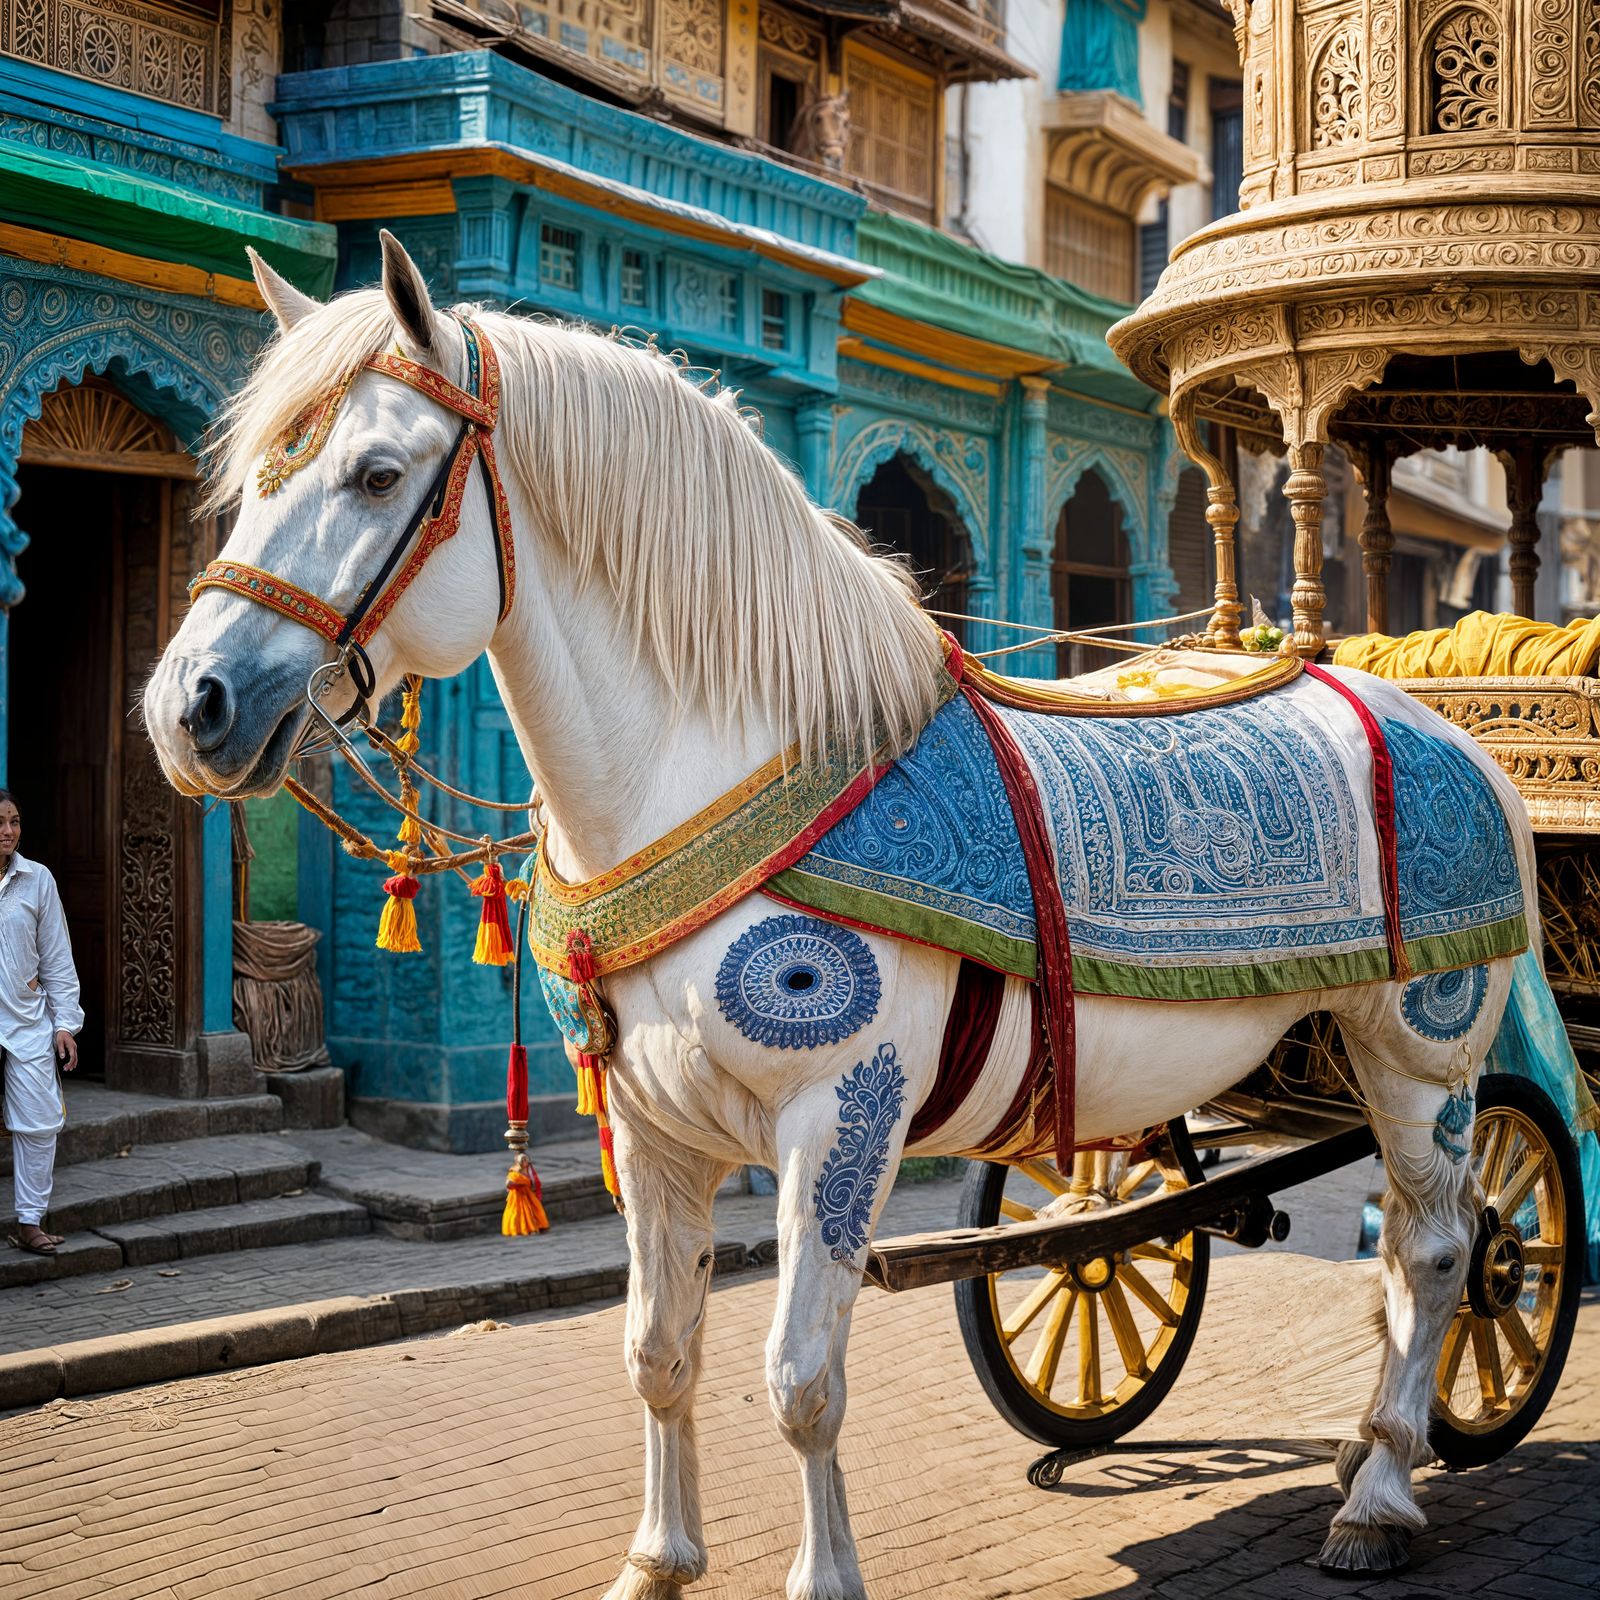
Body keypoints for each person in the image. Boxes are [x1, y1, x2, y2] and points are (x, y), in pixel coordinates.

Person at [0, 790, 81, 1255]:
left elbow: (56, 956)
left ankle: (30, 1222)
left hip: (27, 1020)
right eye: (0, 822)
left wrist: (64, 1024)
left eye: (14, 821)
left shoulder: (37, 880)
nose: (8, 831)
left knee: (39, 1123)